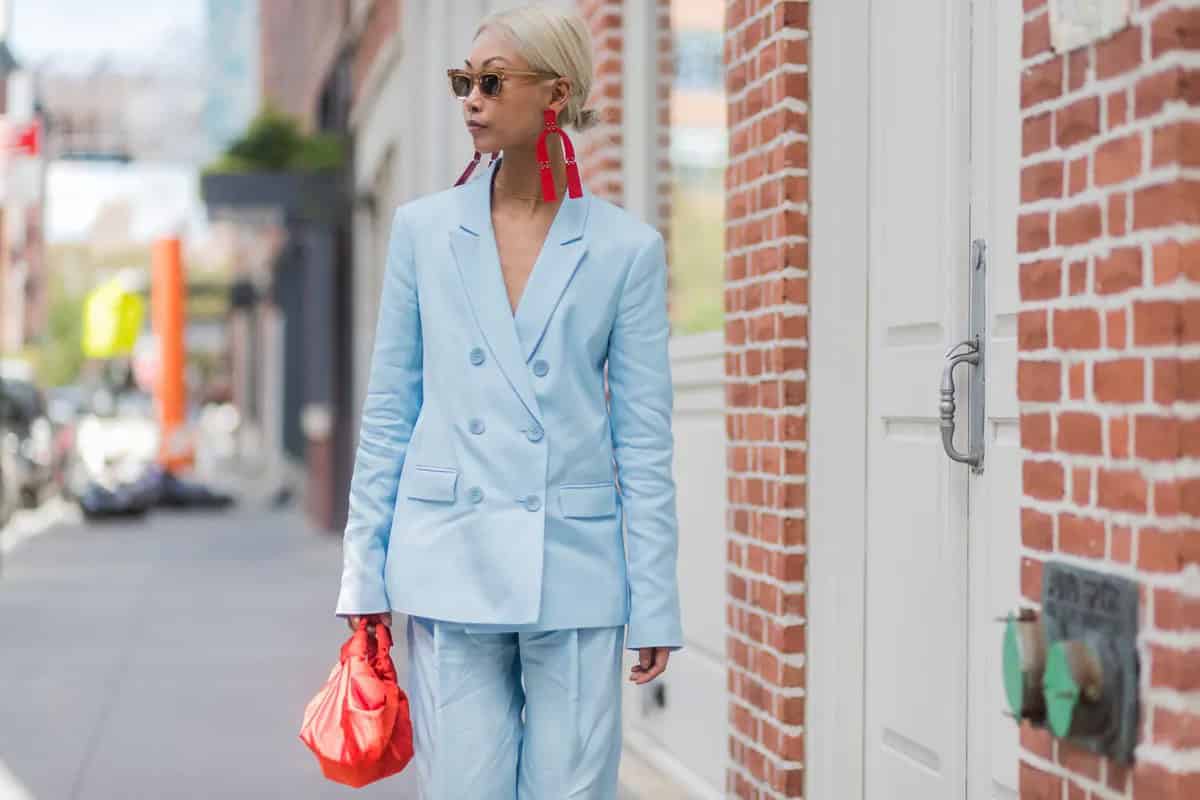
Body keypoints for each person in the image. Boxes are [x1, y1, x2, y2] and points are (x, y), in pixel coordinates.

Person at [334, 4, 682, 797]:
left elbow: (644, 437)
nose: (471, 99)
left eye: (492, 81)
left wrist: (655, 598)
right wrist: (364, 575)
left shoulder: (626, 249)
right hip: (449, 557)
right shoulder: (422, 232)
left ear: (554, 94)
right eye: (464, 80)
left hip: (577, 566)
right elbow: (390, 410)